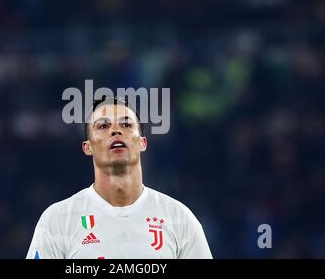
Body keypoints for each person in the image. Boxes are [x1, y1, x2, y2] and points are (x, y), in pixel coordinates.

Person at [26, 97, 212, 258]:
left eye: (126, 124)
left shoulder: (179, 219)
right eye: (103, 126)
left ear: (142, 143)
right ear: (87, 147)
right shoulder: (58, 220)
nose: (115, 130)